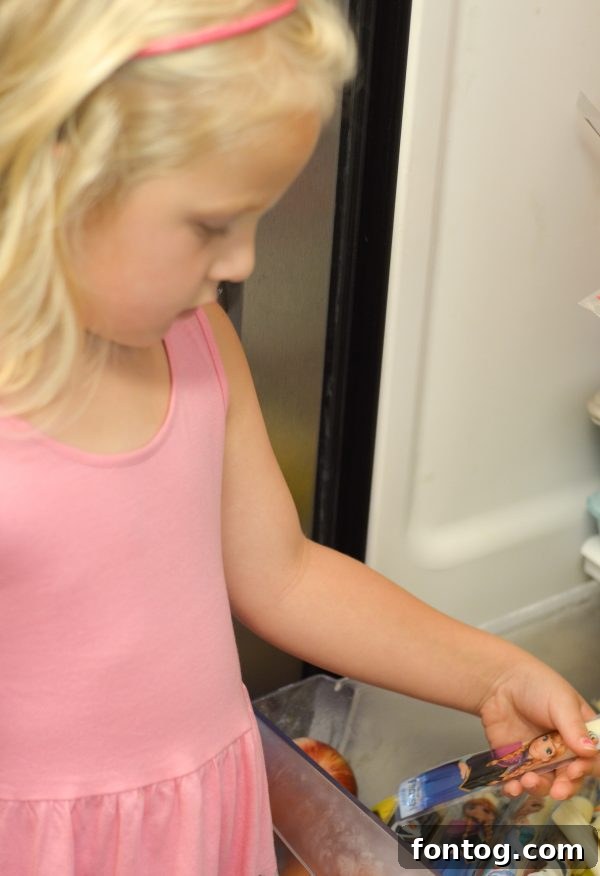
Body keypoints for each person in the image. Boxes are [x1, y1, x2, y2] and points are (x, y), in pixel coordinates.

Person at [0, 1, 598, 873]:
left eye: (259, 219)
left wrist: (493, 675)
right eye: (213, 225)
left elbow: (283, 573)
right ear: (59, 169)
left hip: (201, 825)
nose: (243, 262)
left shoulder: (200, 346)